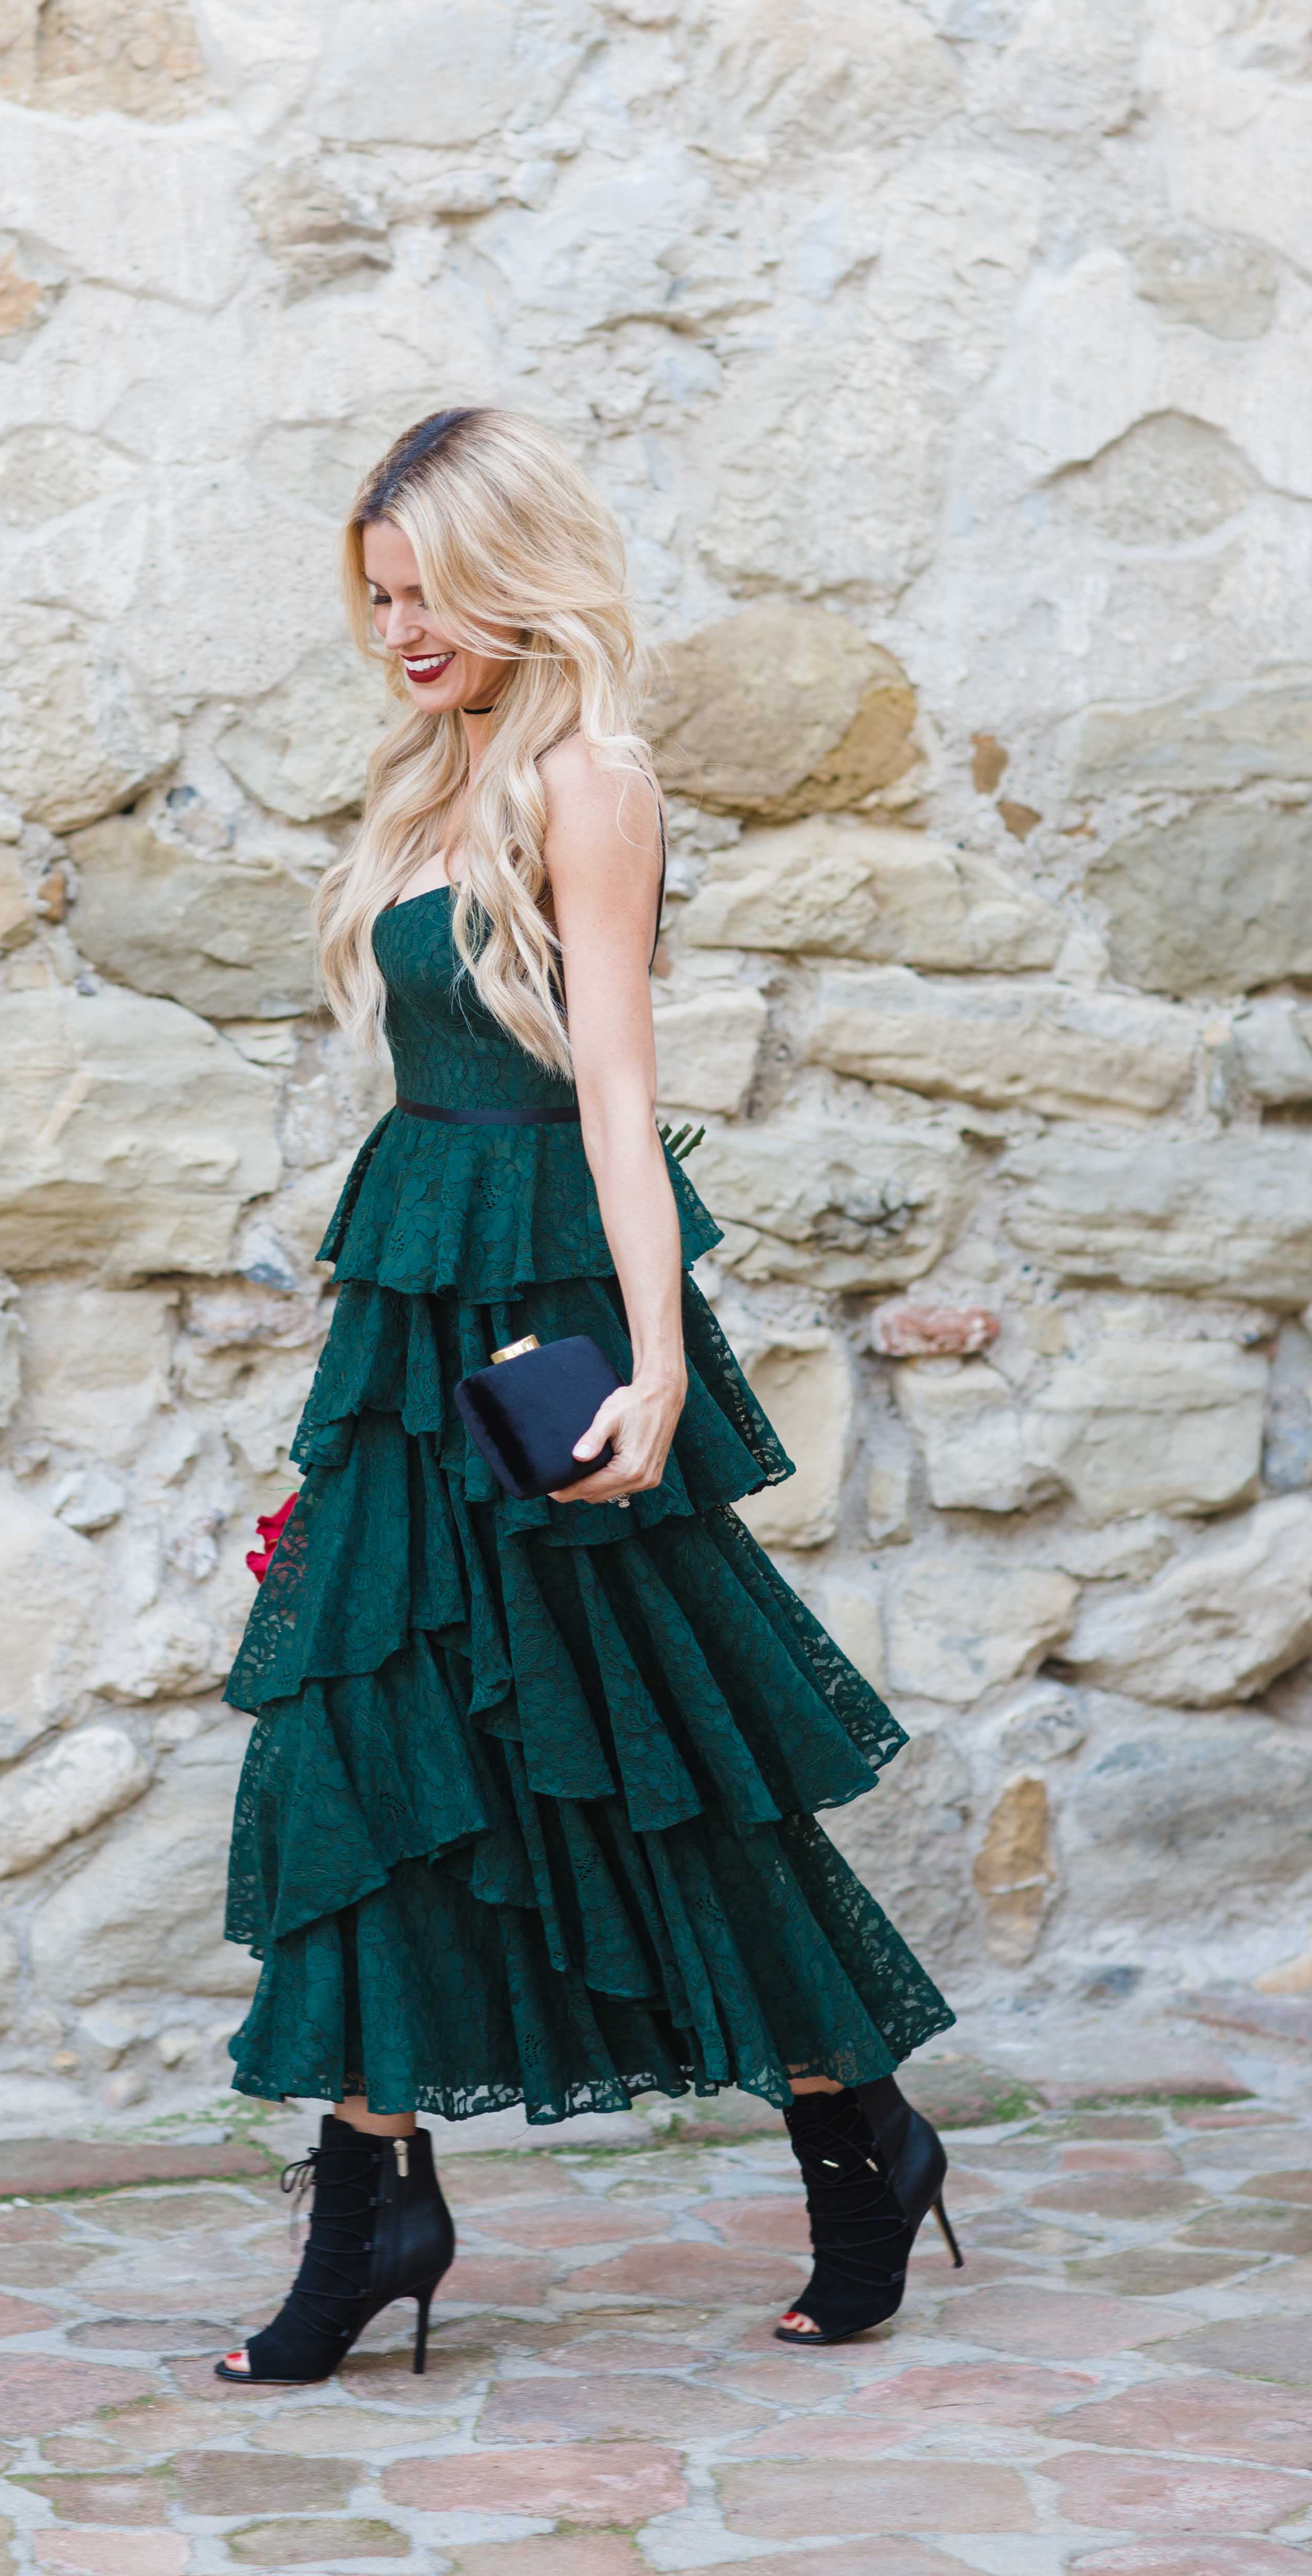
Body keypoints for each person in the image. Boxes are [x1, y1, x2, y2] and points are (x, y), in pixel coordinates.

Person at [215, 407, 959, 2385]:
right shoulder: (437, 776)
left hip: (541, 1320)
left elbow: (620, 1096)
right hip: (410, 1307)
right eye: (374, 600)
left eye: (430, 592)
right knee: (368, 1724)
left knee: (629, 1735)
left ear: (515, 570)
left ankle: (855, 2135)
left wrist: (647, 1363)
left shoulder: (586, 779)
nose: (399, 631)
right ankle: (373, 2208)